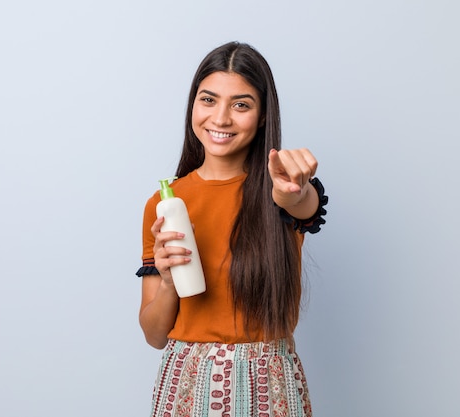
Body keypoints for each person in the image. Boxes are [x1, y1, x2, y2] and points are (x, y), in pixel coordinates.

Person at [136, 41, 328, 417]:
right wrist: (169, 282)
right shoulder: (165, 204)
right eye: (208, 100)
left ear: (261, 117)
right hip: (186, 387)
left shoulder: (280, 188)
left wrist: (295, 191)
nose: (221, 118)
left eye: (240, 104)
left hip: (269, 386)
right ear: (193, 105)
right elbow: (155, 335)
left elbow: (302, 202)